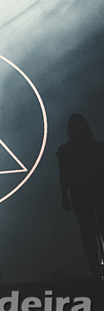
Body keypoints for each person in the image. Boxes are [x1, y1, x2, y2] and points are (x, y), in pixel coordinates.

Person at [57, 113, 104, 279]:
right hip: (82, 194)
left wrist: (65, 195)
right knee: (88, 231)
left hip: (96, 192)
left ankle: (96, 271)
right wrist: (64, 195)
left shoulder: (98, 147)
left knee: (92, 231)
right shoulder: (66, 150)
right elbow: (64, 174)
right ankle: (95, 271)